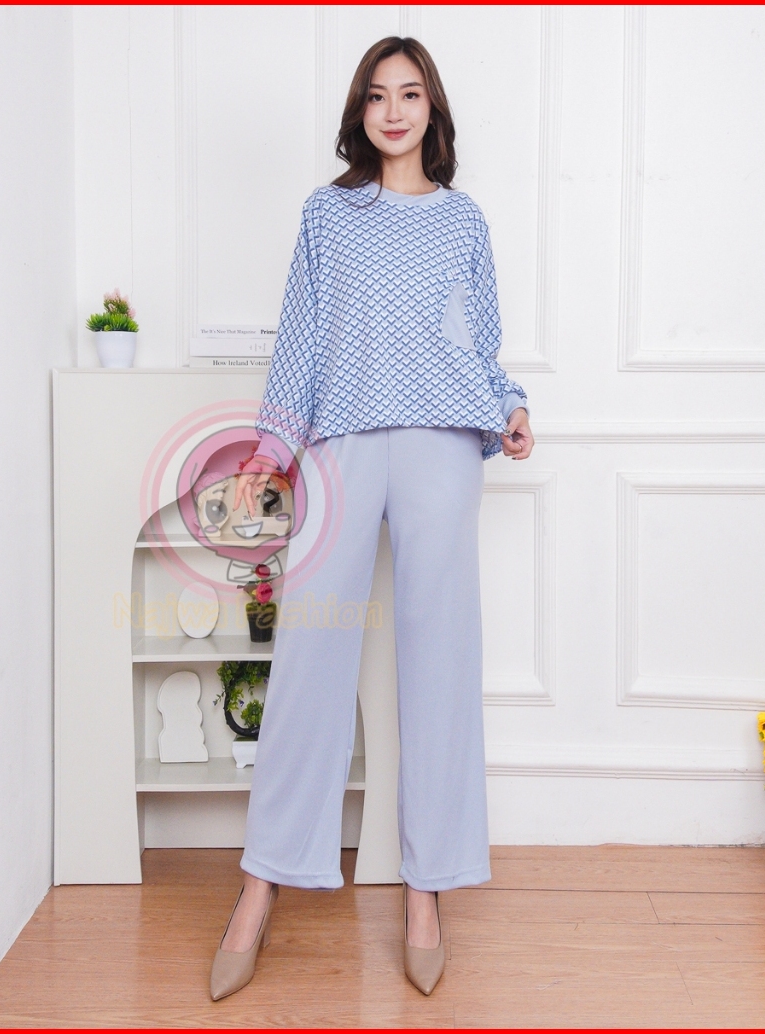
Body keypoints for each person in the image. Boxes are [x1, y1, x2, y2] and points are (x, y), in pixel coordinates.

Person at [210, 35, 535, 1001]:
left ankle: (426, 890)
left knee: (441, 662)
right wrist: (270, 450)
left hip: (442, 443)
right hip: (341, 443)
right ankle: (261, 884)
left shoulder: (464, 220)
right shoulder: (328, 214)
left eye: (411, 94)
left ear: (432, 110)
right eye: (379, 96)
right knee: (311, 657)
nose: (394, 110)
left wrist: (510, 405)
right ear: (360, 111)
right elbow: (301, 340)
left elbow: (479, 340)